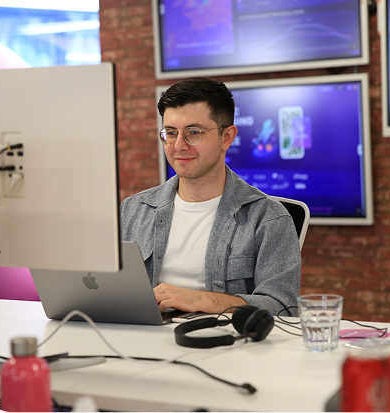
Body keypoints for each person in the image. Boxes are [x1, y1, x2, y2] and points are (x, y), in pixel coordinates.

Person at [120, 77, 301, 316]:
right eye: (171, 133)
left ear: (227, 137)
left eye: (193, 132)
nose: (179, 145)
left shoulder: (268, 218)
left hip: (226, 346)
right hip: (142, 344)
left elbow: (283, 308)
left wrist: (203, 300)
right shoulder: (134, 210)